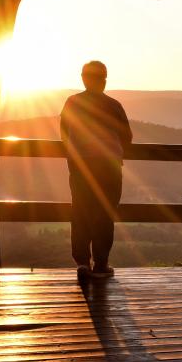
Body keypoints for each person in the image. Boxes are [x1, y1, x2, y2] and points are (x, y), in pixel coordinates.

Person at [60, 60, 132, 281]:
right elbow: (126, 137)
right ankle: (101, 263)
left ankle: (82, 262)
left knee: (80, 212)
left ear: (83, 78)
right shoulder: (114, 105)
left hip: (81, 167)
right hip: (109, 167)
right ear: (104, 80)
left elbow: (63, 134)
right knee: (104, 214)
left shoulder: (72, 103)